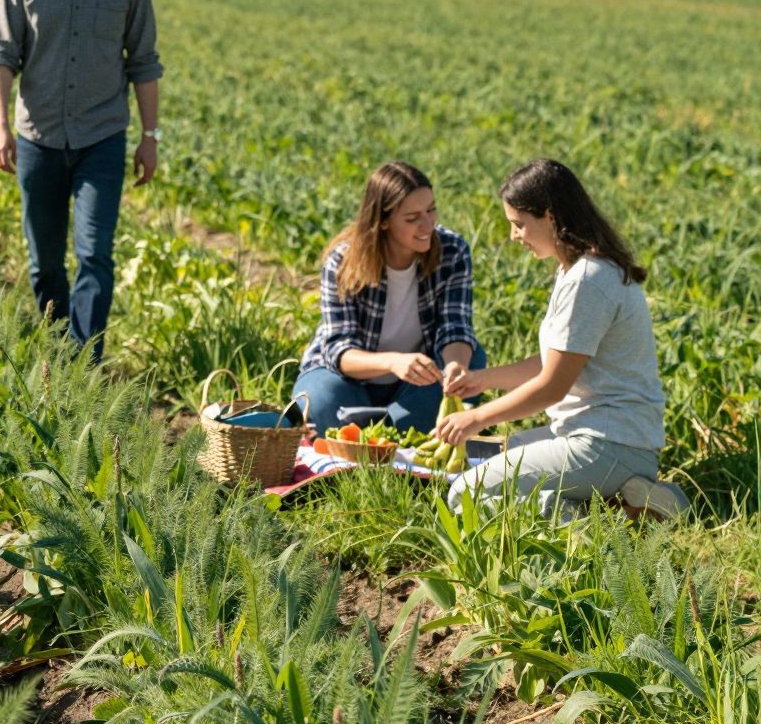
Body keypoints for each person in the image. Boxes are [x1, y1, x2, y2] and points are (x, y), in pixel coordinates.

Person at [437, 157, 684, 518]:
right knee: (491, 457)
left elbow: (552, 386)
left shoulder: (588, 280)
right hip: (606, 440)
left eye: (519, 225)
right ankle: (635, 502)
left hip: (605, 444)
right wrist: (480, 380)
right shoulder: (579, 270)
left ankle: (587, 522)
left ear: (550, 217)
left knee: (463, 494)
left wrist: (475, 419)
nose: (514, 236)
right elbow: (556, 361)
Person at [0, 0, 162, 358]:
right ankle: (56, 351)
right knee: (44, 263)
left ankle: (86, 363)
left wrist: (151, 136)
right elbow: (1, 56)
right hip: (38, 137)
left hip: (101, 138)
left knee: (94, 253)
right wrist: (0, 127)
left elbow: (144, 62)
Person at [293, 161, 483, 435]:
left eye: (431, 210)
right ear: (382, 221)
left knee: (472, 361)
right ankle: (396, 426)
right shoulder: (343, 262)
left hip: (416, 383)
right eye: (412, 218)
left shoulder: (452, 251)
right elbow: (340, 351)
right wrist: (394, 362)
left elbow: (455, 326)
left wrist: (456, 367)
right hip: (348, 380)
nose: (428, 224)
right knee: (320, 402)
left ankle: (371, 428)